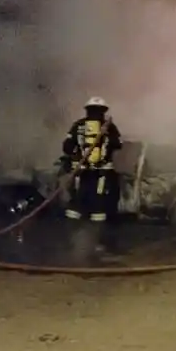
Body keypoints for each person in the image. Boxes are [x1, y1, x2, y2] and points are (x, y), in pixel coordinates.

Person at [60, 96, 123, 255]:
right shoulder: (109, 127)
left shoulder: (78, 125)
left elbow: (66, 147)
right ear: (104, 111)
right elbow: (118, 145)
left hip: (80, 175)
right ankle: (98, 243)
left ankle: (72, 242)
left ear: (86, 109)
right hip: (101, 175)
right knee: (99, 209)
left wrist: (77, 157)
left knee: (75, 207)